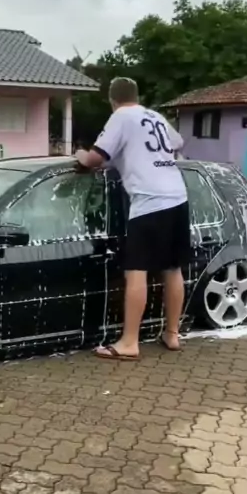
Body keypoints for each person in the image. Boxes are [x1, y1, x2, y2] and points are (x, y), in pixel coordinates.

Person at [76, 76, 190, 359]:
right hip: (177, 196)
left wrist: (81, 156)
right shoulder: (155, 116)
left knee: (136, 271)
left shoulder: (121, 117)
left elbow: (95, 158)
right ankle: (172, 334)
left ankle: (129, 342)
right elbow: (178, 142)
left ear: (112, 100)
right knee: (172, 269)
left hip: (149, 201)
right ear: (137, 96)